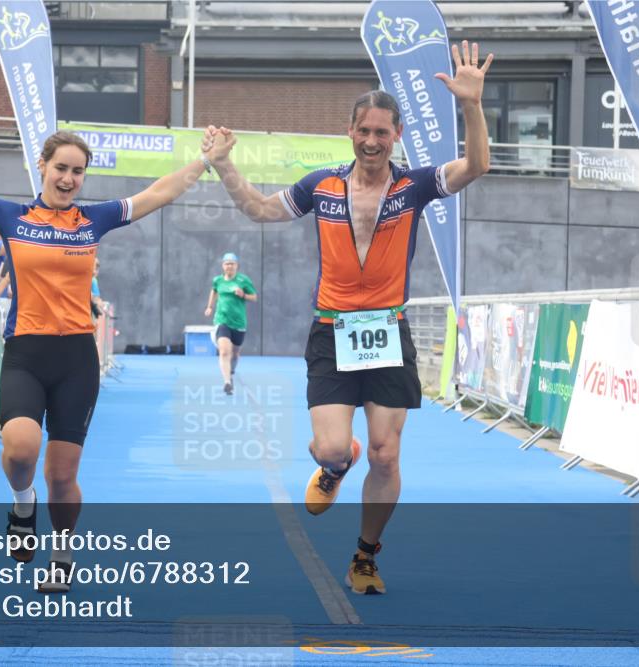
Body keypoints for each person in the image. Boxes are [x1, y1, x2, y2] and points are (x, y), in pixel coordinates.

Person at [0, 78, 214, 593]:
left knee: (62, 475)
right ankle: (23, 507)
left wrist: (204, 161)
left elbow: (157, 193)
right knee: (20, 448)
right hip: (26, 352)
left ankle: (61, 553)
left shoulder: (94, 219)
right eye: (61, 168)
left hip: (76, 359)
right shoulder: (10, 214)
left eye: (78, 171)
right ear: (42, 167)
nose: (69, 178)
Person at [204, 41, 493, 595]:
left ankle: (365, 556)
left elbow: (477, 165)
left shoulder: (416, 186)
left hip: (388, 331)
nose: (372, 141)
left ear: (397, 136)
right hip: (332, 332)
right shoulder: (322, 186)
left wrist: (471, 106)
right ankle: (337, 468)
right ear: (350, 131)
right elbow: (262, 209)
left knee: (386, 454)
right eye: (364, 130)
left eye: (383, 132)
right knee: (334, 449)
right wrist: (224, 165)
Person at [204, 252, 257, 394]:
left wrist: (244, 295)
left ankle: (231, 370)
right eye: (227, 263)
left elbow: (254, 297)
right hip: (222, 321)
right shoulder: (218, 280)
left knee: (235, 354)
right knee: (224, 352)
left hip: (239, 323)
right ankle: (227, 382)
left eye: (232, 264)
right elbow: (214, 291)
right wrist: (209, 306)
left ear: (236, 266)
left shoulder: (243, 280)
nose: (229, 266)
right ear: (223, 266)